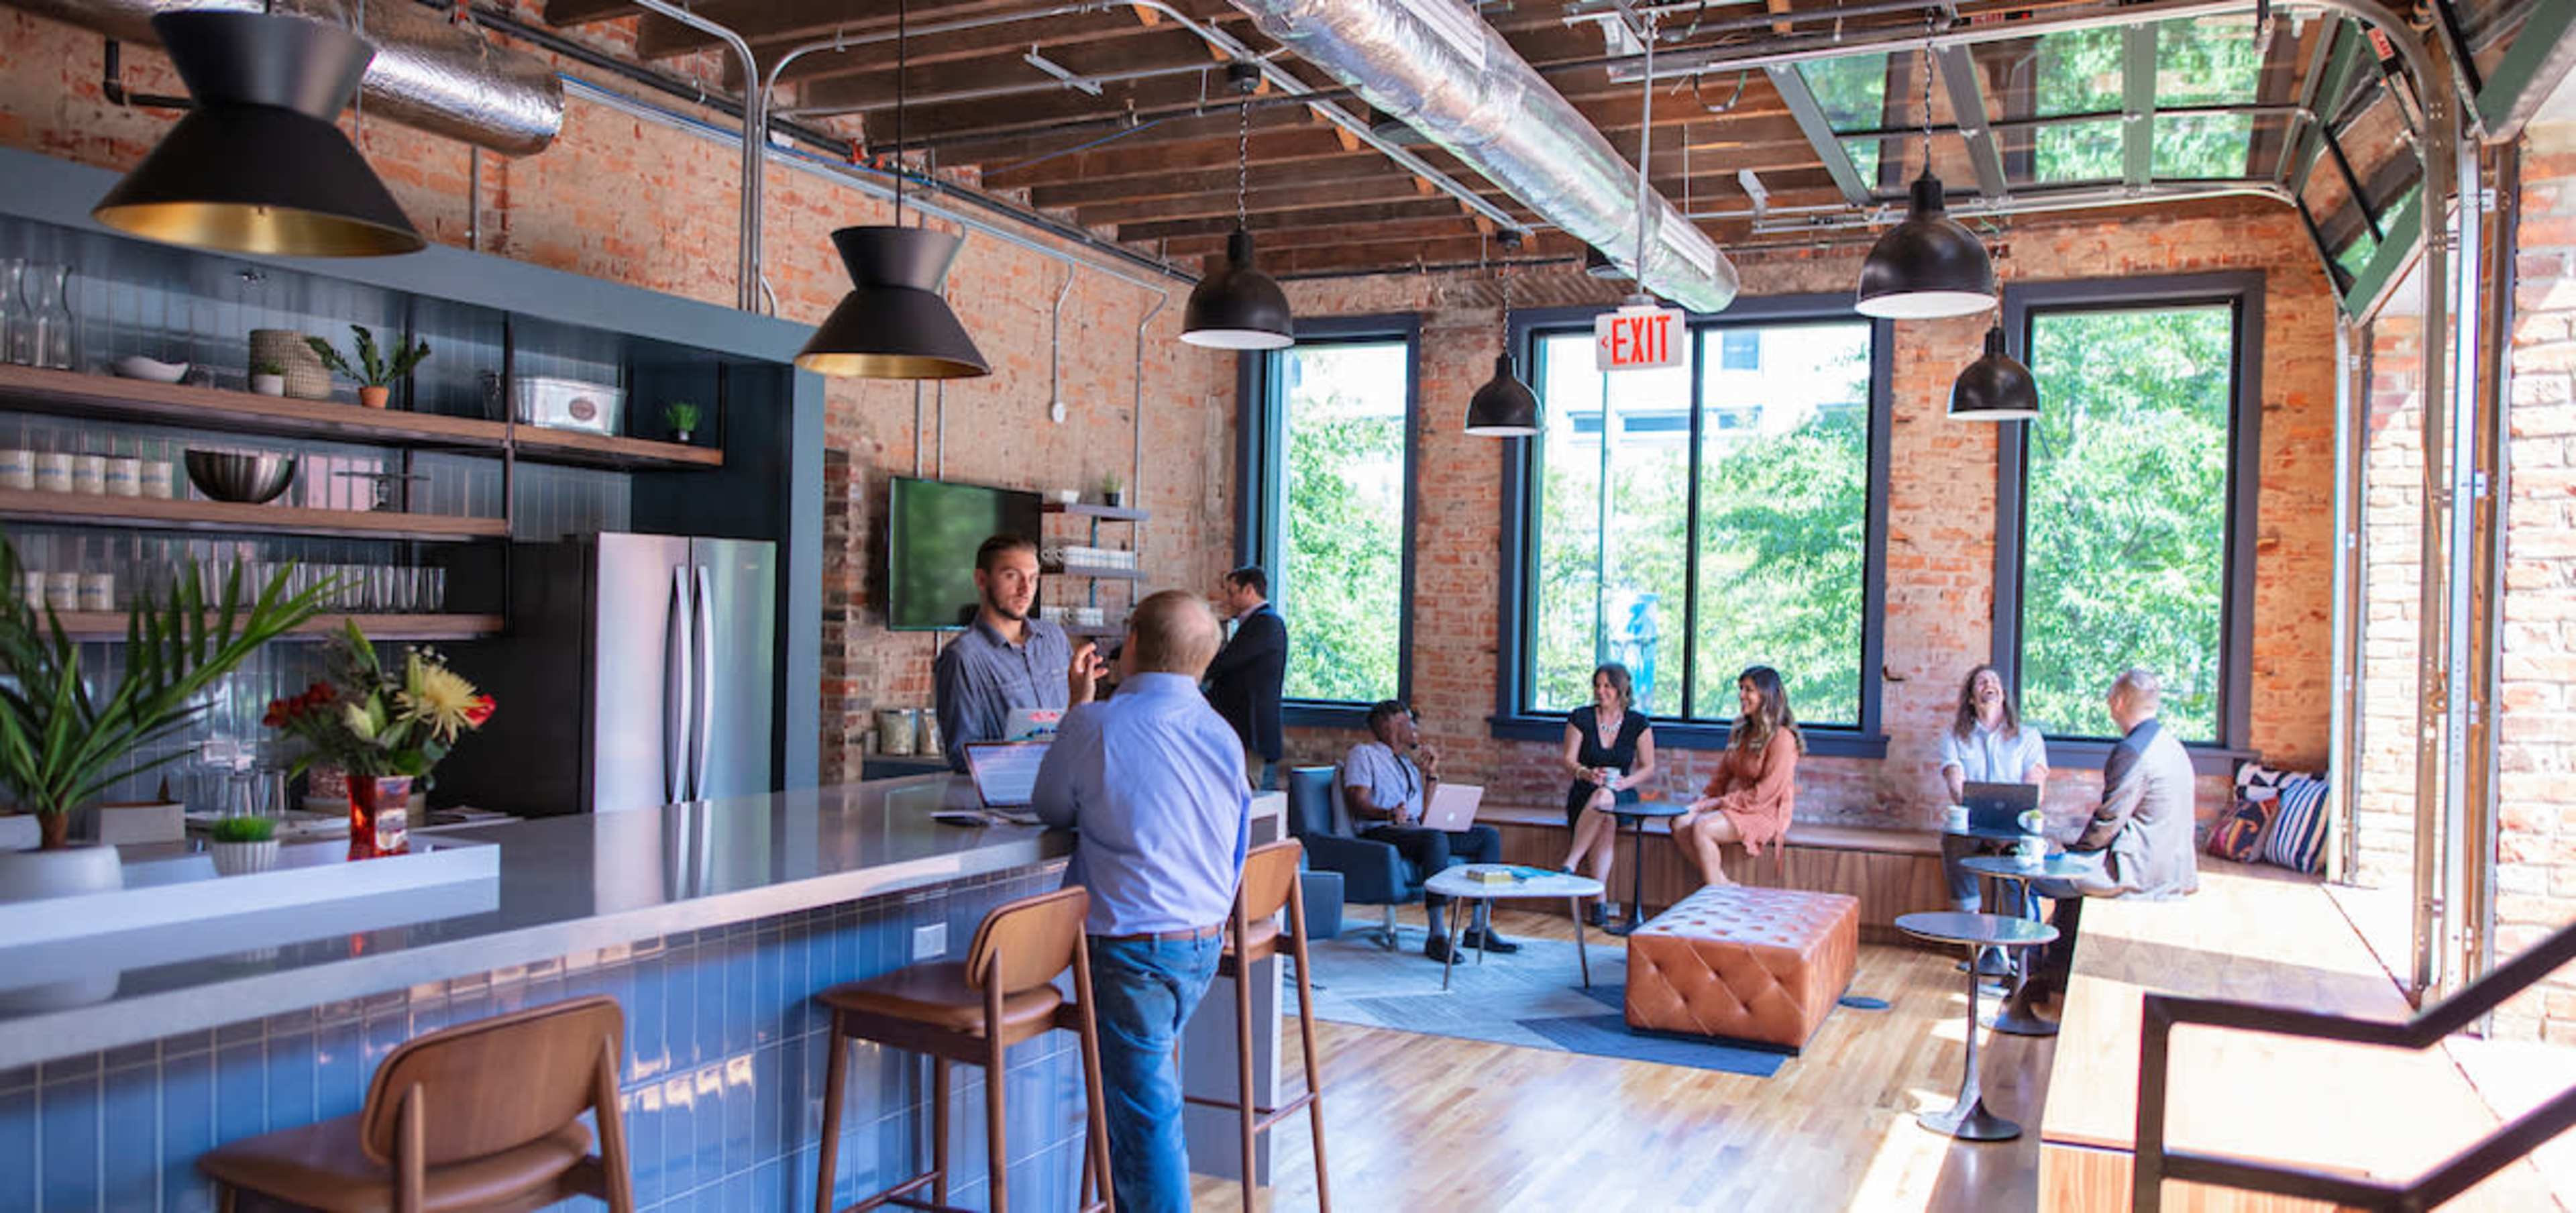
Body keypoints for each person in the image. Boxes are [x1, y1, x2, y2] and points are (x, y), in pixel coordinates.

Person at [1031, 590, 1250, 1213]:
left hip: (1130, 949)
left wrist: (1079, 708)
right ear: (1204, 662)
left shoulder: (1096, 725)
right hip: (1202, 944)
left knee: (1145, 1121)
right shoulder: (1221, 734)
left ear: (1130, 646)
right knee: (1145, 1108)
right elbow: (1232, 844)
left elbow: (1050, 808)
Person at [2027, 668, 2200, 992]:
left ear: (2119, 701)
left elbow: (2108, 820)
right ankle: (2059, 973)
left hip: (2137, 871)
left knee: (2032, 881)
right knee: (2067, 879)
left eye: (2110, 699)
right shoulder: (2171, 745)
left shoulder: (2134, 751)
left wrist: (2072, 857)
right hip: (2173, 868)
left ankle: (2027, 974)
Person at [1343, 698, 1515, 962]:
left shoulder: (1407, 766)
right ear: (1391, 725)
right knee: (1434, 838)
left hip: (1412, 831)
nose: (1415, 729)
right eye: (1410, 722)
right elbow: (1357, 801)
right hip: (1381, 831)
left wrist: (1431, 775)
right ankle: (1436, 935)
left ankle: (1479, 927)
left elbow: (1425, 816)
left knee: (1487, 837)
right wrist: (1387, 814)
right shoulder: (1364, 754)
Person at [932, 533, 1102, 772]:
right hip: (1006, 800)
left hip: (1065, 788)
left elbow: (1073, 728)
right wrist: (1021, 750)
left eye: (1033, 579)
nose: (1026, 590)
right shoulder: (962, 657)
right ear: (982, 580)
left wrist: (1082, 700)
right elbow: (962, 757)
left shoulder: (1053, 637)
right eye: (1012, 576)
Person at [1671, 666, 1803, 888]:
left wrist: (1714, 804)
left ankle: (1716, 896)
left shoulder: (1783, 739)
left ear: (1767, 695)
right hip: (1733, 804)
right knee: (1680, 821)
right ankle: (1720, 883)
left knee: (1703, 827)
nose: (1741, 695)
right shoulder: (1742, 729)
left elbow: (1764, 795)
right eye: (1741, 689)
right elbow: (1722, 775)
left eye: (1748, 690)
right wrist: (1701, 802)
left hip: (1764, 811)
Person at [1938, 664, 2051, 913]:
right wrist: (1984, 823)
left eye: (1994, 682)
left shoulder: (2029, 737)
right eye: (1981, 682)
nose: (1989, 685)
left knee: (2021, 852)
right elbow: (1957, 787)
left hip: (2015, 825)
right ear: (1971, 698)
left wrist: (2006, 827)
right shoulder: (1953, 736)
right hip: (1974, 825)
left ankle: (2018, 934)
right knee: (1952, 836)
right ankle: (1967, 917)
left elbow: (2035, 791)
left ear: (2002, 695)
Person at [1558, 664, 1657, 928]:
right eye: (1597, 686)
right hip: (1585, 791)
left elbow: (1649, 767)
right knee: (1606, 816)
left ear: (1621, 690)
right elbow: (1568, 760)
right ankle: (1599, 901)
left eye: (1607, 687)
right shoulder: (1580, 717)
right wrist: (1586, 773)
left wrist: (1625, 783)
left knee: (1607, 801)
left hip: (1623, 793)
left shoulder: (1638, 722)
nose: (1601, 692)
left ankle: (1571, 863)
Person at [1202, 566, 1286, 790]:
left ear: (1249, 590)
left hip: (1250, 728)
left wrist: (1191, 671)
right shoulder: (1257, 622)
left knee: (1245, 793)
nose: (1227, 599)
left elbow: (1228, 663)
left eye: (1232, 593)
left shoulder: (1266, 623)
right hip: (1240, 727)